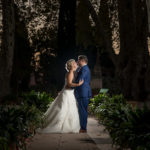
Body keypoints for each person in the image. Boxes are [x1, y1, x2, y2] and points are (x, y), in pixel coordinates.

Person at [37, 59, 83, 133]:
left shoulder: (70, 72)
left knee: (66, 109)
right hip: (67, 93)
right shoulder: (70, 72)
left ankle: (67, 125)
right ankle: (62, 125)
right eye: (75, 63)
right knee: (63, 109)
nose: (76, 64)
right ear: (72, 65)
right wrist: (78, 84)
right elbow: (69, 84)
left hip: (68, 92)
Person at [74, 55, 92, 133]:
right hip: (83, 93)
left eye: (78, 60)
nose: (77, 62)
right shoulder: (83, 68)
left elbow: (80, 80)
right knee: (83, 110)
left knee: (83, 111)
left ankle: (83, 128)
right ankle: (83, 127)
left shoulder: (85, 69)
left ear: (82, 60)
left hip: (83, 93)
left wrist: (70, 84)